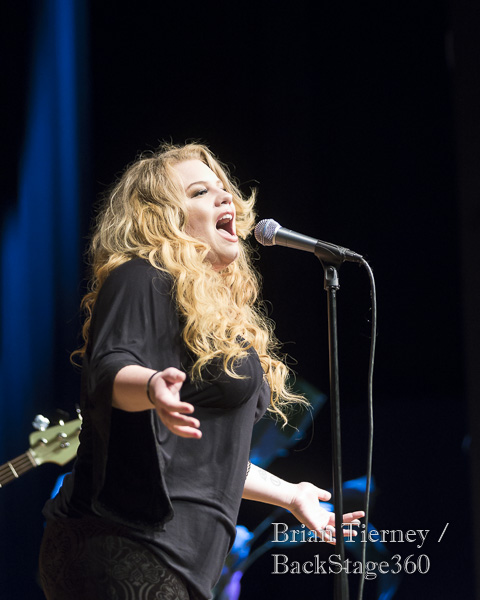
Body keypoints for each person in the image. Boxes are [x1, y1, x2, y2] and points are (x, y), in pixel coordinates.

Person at [39, 142, 364, 600]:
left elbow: (207, 458)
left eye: (223, 188)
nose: (224, 196)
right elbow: (110, 372)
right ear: (163, 219)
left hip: (180, 561)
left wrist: (290, 495)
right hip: (122, 541)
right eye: (199, 192)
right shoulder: (140, 275)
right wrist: (152, 386)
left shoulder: (214, 320)